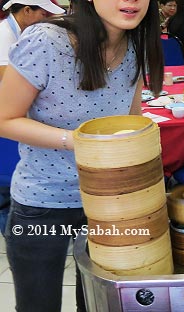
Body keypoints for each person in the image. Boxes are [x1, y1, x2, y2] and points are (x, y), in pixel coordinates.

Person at [0, 0, 164, 310]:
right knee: (38, 305)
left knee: (96, 303)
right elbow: (4, 119)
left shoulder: (135, 45)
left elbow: (129, 122)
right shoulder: (46, 41)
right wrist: (79, 140)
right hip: (43, 203)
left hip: (107, 203)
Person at [0, 0, 64, 82]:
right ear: (27, 10)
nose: (45, 20)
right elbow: (6, 77)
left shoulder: (25, 32)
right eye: (43, 14)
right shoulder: (4, 33)